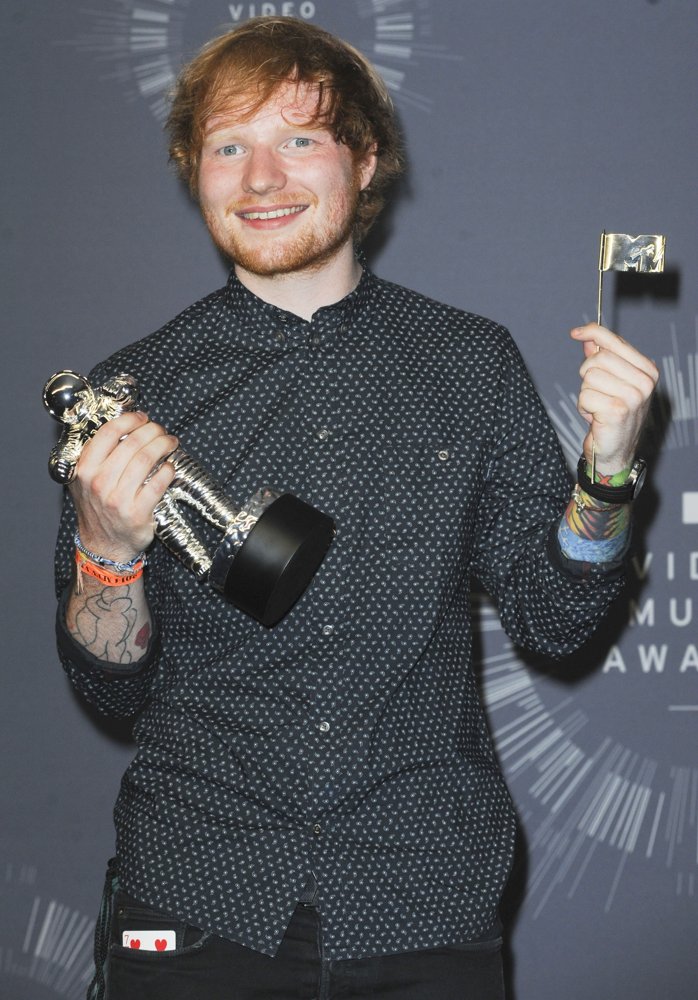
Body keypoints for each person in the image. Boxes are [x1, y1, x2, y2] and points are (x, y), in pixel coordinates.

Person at [52, 16, 658, 1000]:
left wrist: (604, 475)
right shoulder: (129, 394)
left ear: (364, 159)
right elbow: (111, 689)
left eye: (298, 138)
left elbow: (557, 620)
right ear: (191, 169)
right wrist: (106, 550)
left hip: (423, 893)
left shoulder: (470, 363)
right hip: (199, 894)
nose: (261, 179)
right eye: (228, 147)